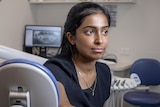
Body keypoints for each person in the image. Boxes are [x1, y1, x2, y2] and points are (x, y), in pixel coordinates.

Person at [44, 2, 111, 107]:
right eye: (90, 32)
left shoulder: (104, 72)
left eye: (105, 32)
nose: (100, 40)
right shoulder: (56, 69)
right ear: (72, 38)